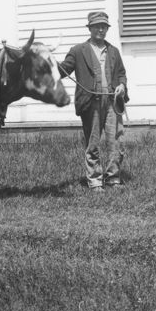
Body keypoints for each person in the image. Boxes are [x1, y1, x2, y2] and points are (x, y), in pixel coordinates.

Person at [58, 10, 129, 189]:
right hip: (91, 103)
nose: (101, 30)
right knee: (93, 141)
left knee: (115, 141)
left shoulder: (113, 51)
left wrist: (121, 85)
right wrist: (47, 63)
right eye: (97, 26)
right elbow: (63, 70)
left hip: (113, 102)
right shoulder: (78, 51)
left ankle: (113, 178)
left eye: (104, 26)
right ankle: (95, 180)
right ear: (90, 28)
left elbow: (121, 74)